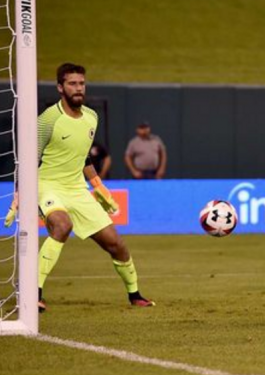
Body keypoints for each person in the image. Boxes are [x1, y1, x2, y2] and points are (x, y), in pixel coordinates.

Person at [4, 63, 155, 311]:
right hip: (47, 185)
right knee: (62, 225)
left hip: (77, 189)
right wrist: (20, 194)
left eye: (81, 83)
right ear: (60, 87)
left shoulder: (92, 117)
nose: (78, 88)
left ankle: (135, 295)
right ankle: (34, 293)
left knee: (116, 244)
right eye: (72, 83)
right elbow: (29, 157)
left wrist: (99, 186)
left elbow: (84, 158)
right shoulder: (48, 120)